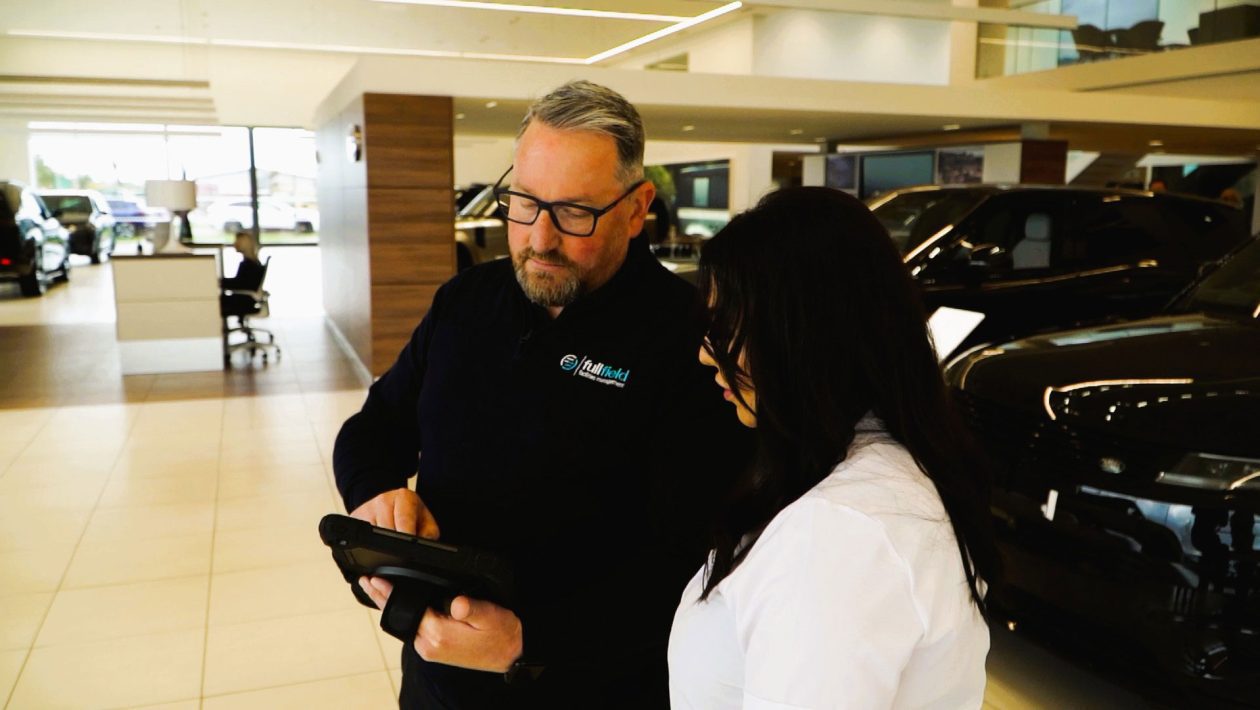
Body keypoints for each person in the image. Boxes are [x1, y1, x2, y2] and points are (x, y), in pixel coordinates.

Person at [332, 80, 750, 709]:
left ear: (637, 208)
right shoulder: (466, 302)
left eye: (575, 212)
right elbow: (374, 429)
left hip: (595, 688)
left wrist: (532, 639)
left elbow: (701, 563)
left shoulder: (690, 338)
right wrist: (376, 495)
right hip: (437, 681)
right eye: (524, 203)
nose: (540, 239)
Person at [669, 187, 998, 709]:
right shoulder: (877, 472)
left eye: (727, 327)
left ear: (808, 335)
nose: (707, 354)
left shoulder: (837, 535)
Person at [220, 231, 264, 312]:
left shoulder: (248, 264)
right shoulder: (254, 262)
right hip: (247, 299)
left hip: (243, 300)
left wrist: (220, 282)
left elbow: (239, 284)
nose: (234, 244)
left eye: (237, 242)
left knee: (217, 300)